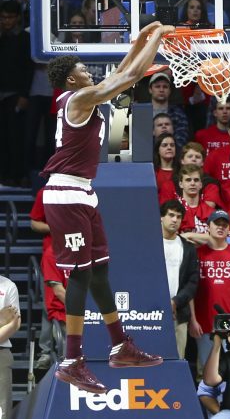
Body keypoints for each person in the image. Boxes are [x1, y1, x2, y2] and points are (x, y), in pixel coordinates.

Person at [40, 21, 175, 393]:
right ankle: (72, 360)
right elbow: (126, 78)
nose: (88, 71)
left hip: (84, 193)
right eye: (82, 69)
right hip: (66, 193)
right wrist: (158, 41)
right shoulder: (80, 99)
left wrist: (141, 42)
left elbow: (123, 73)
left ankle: (120, 345)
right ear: (70, 81)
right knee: (81, 276)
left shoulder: (84, 96)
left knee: (99, 271)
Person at [184, 210, 230, 368]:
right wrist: (193, 320)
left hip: (229, 321)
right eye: (217, 224)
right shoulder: (197, 254)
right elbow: (190, 290)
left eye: (224, 225)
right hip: (203, 322)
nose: (220, 227)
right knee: (205, 368)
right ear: (208, 226)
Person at [30, 187, 69, 365]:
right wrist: (56, 227)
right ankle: (46, 351)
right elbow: (34, 223)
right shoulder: (45, 193)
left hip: (73, 251)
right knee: (51, 303)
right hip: (53, 254)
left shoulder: (81, 191)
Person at [0, 0, 34, 186]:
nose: (6, 21)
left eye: (10, 17)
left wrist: (24, 95)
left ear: (18, 18)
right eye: (3, 17)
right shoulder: (2, 38)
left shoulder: (24, 39)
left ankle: (19, 175)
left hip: (16, 95)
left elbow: (28, 70)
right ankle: (4, 175)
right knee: (2, 138)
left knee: (16, 138)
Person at [160, 200, 199, 359]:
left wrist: (175, 301)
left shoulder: (188, 248)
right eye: (171, 215)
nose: (175, 220)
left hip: (179, 312)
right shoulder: (149, 244)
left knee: (177, 359)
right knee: (150, 360)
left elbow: (193, 281)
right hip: (150, 311)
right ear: (161, 217)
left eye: (178, 216)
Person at [159, 142, 222, 209]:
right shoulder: (169, 184)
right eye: (190, 156)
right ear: (182, 161)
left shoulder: (211, 184)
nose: (194, 159)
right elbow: (166, 210)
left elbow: (208, 208)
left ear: (203, 162)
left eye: (197, 157)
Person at [148, 72, 190, 148]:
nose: (161, 90)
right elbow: (140, 139)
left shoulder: (178, 113)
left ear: (170, 90)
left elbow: (181, 140)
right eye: (157, 86)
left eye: (165, 87)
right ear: (150, 90)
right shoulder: (142, 113)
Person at [0, 275, 21, 419]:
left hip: (1, 355)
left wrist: (9, 323)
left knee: (2, 411)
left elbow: (15, 323)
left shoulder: (8, 286)